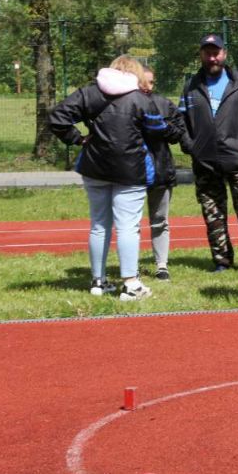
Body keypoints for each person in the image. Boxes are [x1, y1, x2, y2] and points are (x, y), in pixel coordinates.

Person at [51, 55, 179, 301]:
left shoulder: (88, 93)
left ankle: (98, 282)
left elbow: (57, 117)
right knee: (128, 226)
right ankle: (131, 284)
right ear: (136, 73)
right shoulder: (140, 98)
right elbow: (156, 128)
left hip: (94, 167)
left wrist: (78, 138)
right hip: (130, 169)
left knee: (99, 225)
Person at [178, 33, 238, 273]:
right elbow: (180, 120)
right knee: (213, 214)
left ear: (224, 54)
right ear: (201, 55)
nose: (212, 57)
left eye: (216, 52)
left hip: (237, 161)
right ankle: (222, 260)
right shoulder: (191, 85)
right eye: (207, 52)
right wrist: (191, 145)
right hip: (205, 162)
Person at [140, 67, 186, 280]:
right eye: (143, 82)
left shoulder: (164, 103)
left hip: (160, 169)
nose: (146, 87)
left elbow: (178, 133)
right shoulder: (123, 104)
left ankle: (161, 264)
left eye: (150, 82)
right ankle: (129, 267)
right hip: (130, 172)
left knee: (160, 219)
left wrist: (162, 127)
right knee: (128, 223)